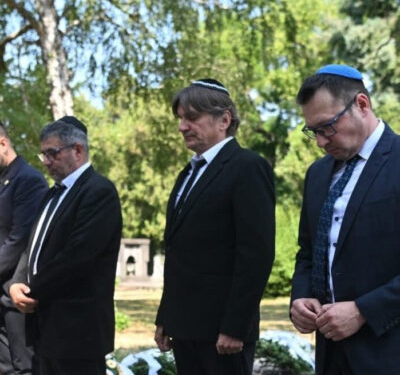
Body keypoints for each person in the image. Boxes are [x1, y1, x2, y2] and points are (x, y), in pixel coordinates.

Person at [154, 78, 275, 375]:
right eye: (180, 118)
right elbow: (178, 250)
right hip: (185, 328)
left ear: (224, 120)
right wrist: (166, 316)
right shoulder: (188, 173)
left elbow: (256, 254)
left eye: (192, 118)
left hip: (223, 334)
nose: (182, 127)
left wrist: (236, 326)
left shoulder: (247, 167)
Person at [290, 64, 400, 374]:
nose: (320, 142)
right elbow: (308, 253)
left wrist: (364, 311)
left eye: (327, 127)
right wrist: (301, 297)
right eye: (313, 131)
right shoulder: (317, 174)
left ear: (361, 105)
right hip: (330, 355)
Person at [9, 116, 122, 375]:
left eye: (53, 153)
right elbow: (33, 245)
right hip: (46, 326)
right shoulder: (53, 193)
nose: (46, 161)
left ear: (78, 150)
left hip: (78, 330)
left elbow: (77, 257)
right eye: (43, 155)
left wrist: (32, 290)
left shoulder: (99, 191)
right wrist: (17, 282)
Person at [0, 121, 48, 374]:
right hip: (2, 293)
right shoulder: (3, 180)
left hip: (18, 293)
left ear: (2, 143)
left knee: (26, 368)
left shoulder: (29, 180)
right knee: (6, 368)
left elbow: (20, 239)